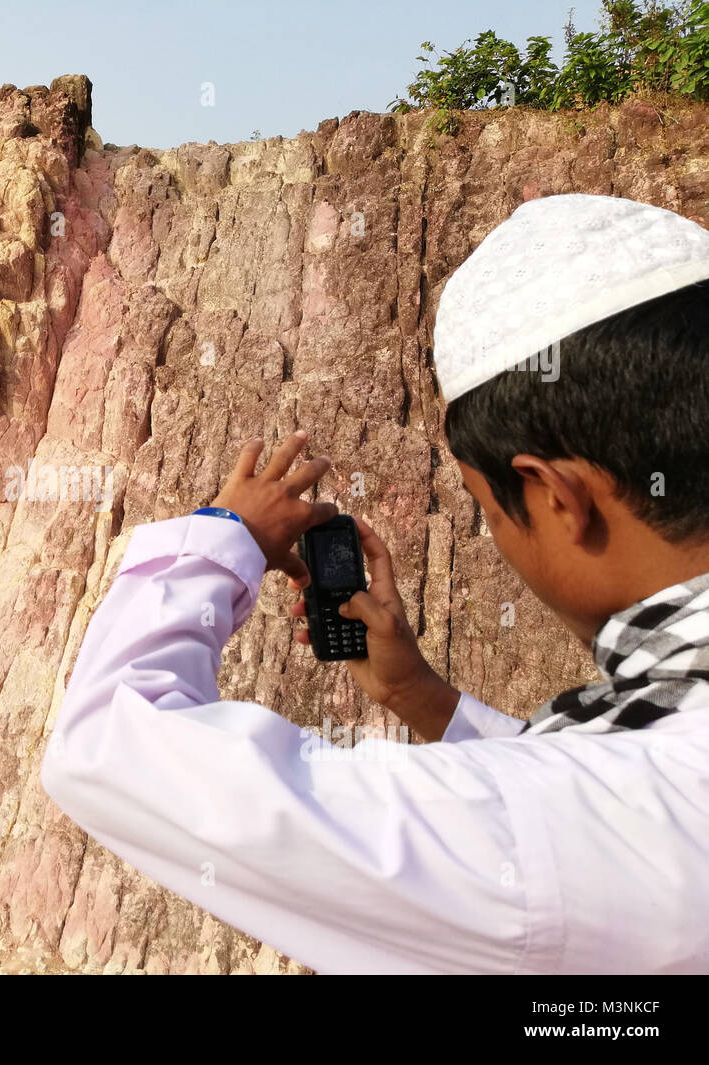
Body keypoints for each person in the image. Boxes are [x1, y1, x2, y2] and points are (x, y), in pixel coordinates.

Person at [40, 193, 709, 973]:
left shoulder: (598, 826)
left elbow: (103, 749)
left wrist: (229, 536)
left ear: (555, 496)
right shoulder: (640, 791)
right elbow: (597, 796)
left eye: (489, 508)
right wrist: (420, 694)